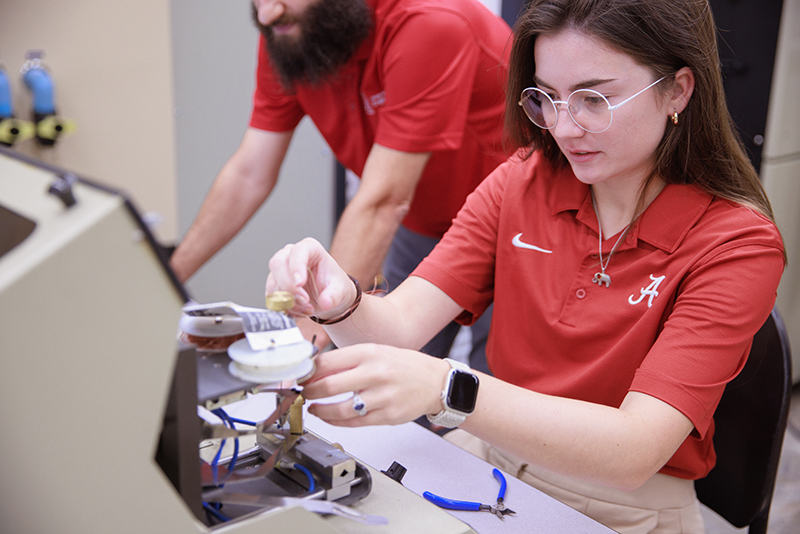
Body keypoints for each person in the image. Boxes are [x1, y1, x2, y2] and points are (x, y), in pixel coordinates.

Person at [265, 0, 786, 531]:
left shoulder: (737, 244)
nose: (564, 127)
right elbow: (398, 328)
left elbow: (634, 450)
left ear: (678, 89)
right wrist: (339, 300)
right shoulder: (523, 181)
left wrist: (449, 388)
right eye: (547, 98)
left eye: (594, 98)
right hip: (488, 462)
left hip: (622, 506)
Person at [169, 0, 511, 367]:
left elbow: (382, 200)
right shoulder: (288, 31)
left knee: (488, 397)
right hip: (417, 225)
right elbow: (249, 173)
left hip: (512, 230)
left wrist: (303, 342)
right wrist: (165, 284)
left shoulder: (429, 21)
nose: (266, 14)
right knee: (388, 380)